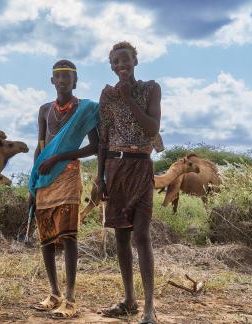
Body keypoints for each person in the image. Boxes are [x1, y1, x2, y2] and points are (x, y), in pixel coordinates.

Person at [96, 41, 161, 324]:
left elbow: (152, 128)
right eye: (115, 62)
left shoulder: (150, 88)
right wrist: (99, 177)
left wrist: (130, 99)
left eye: (126, 60)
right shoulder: (107, 95)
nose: (121, 65)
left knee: (141, 236)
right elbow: (103, 138)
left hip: (141, 165)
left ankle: (149, 308)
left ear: (135, 61)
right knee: (121, 236)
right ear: (111, 65)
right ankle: (129, 300)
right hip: (115, 166)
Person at [28, 59, 99, 318]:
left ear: (75, 81)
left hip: (69, 176)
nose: (62, 81)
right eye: (58, 77)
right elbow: (40, 146)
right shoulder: (45, 110)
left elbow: (95, 147)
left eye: (67, 77)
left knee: (68, 237)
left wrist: (59, 157)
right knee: (46, 237)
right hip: (44, 179)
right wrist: (32, 182)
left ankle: (70, 299)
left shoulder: (85, 109)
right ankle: (54, 293)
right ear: (51, 81)